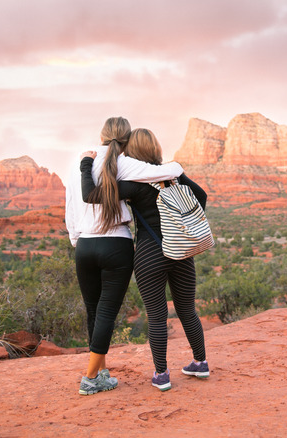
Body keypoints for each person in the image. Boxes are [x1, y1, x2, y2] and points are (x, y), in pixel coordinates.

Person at [81, 128, 210, 392]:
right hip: (182, 251)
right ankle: (200, 362)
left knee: (157, 315)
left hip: (150, 254)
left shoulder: (135, 184)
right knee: (187, 310)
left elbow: (91, 196)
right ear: (156, 148)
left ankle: (162, 375)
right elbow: (202, 197)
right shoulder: (175, 175)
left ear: (133, 152)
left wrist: (86, 165)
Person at [65, 117, 184, 396]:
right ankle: (91, 377)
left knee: (93, 310)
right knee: (106, 311)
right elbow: (173, 170)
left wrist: (76, 239)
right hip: (115, 244)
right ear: (127, 139)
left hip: (84, 245)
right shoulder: (125, 162)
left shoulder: (80, 160)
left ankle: (101, 373)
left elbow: (72, 204)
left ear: (102, 135)